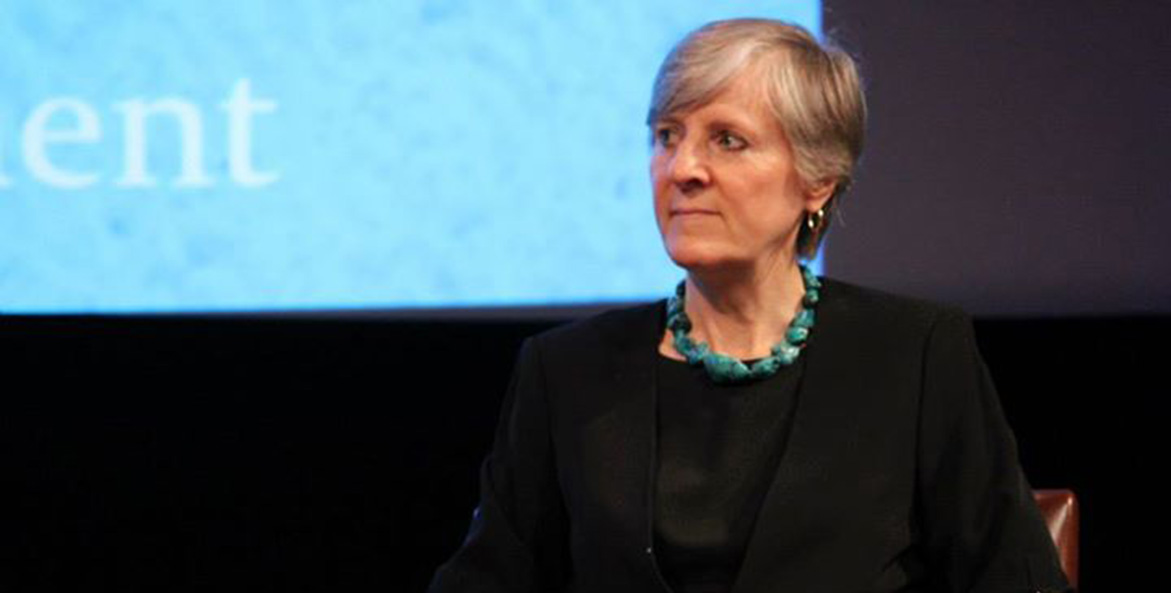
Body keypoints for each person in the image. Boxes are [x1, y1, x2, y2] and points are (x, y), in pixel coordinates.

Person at [428, 18, 1071, 593]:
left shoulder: (915, 355)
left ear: (817, 178)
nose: (682, 168)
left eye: (726, 140)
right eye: (667, 135)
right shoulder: (566, 370)